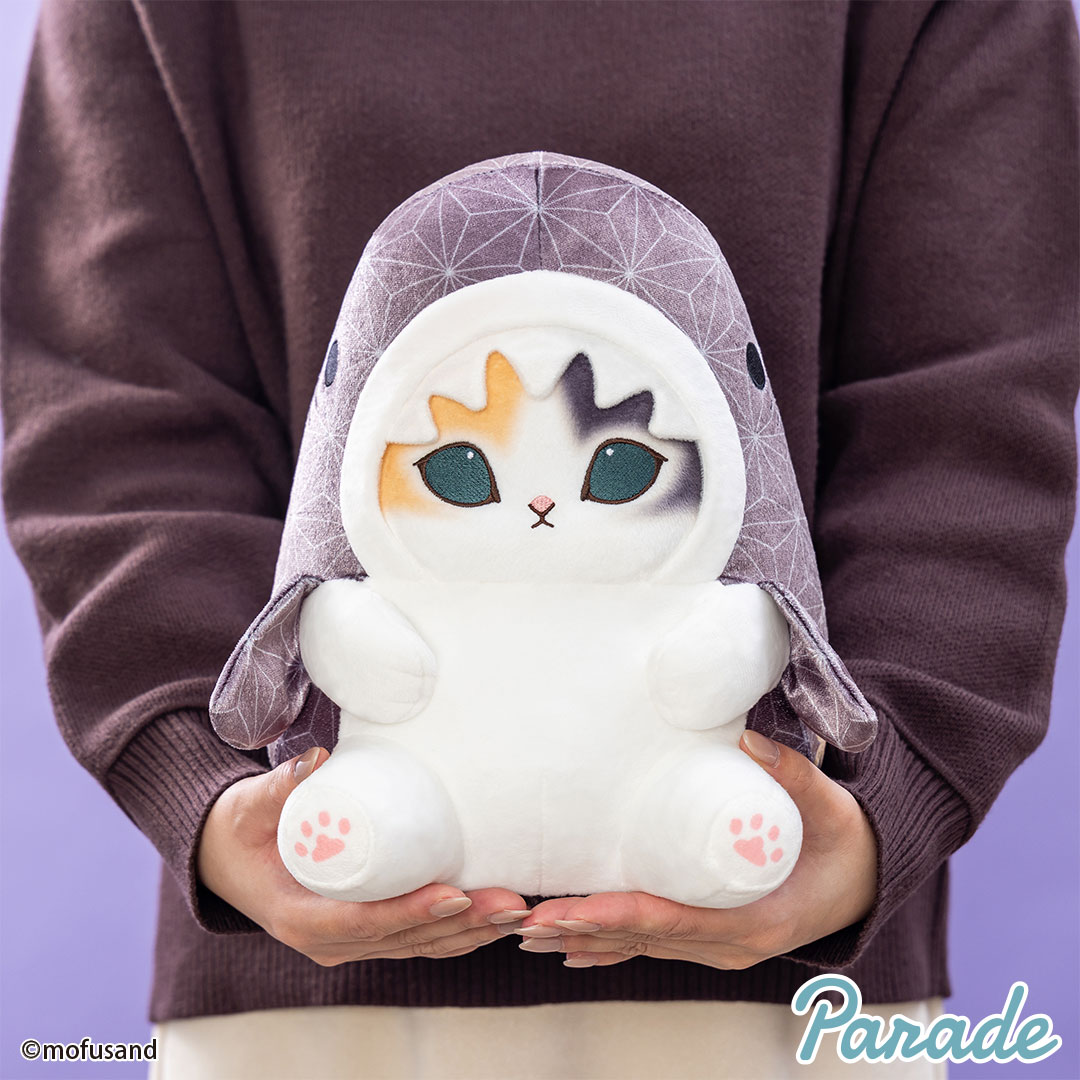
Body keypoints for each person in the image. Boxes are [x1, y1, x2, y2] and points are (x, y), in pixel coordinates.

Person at [2, 2, 1076, 1078]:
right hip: (304, 979)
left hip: (791, 974)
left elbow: (971, 410)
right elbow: (111, 406)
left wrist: (878, 803)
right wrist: (213, 787)